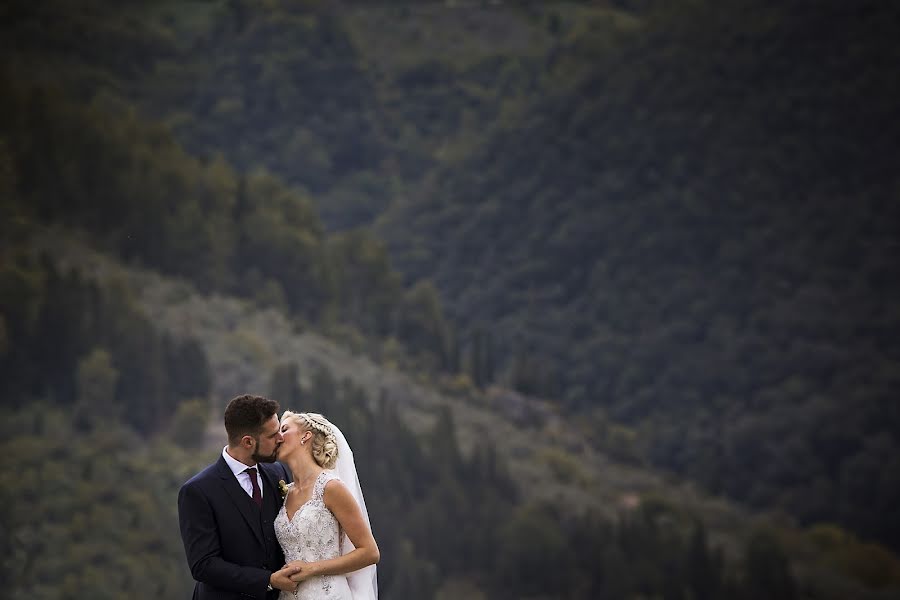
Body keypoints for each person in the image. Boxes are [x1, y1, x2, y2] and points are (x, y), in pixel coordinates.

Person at [178, 394, 302, 599]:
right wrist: (267, 580)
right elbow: (203, 565)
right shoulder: (197, 491)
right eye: (272, 436)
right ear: (247, 442)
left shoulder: (277, 473)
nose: (281, 438)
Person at [274, 411, 380, 600]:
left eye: (284, 429)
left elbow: (370, 552)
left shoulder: (330, 487)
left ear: (305, 436)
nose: (278, 436)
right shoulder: (286, 493)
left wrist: (311, 569)